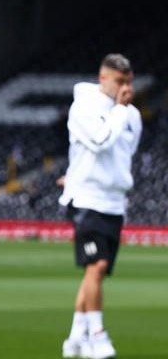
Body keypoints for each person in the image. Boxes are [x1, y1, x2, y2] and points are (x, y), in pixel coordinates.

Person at [59, 53, 142, 359]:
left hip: (115, 201)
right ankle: (97, 335)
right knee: (97, 266)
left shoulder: (132, 115)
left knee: (95, 272)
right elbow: (101, 140)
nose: (125, 88)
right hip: (88, 198)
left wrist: (122, 110)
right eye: (120, 81)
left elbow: (125, 154)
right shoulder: (84, 107)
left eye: (129, 82)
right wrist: (119, 110)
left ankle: (74, 338)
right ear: (103, 77)